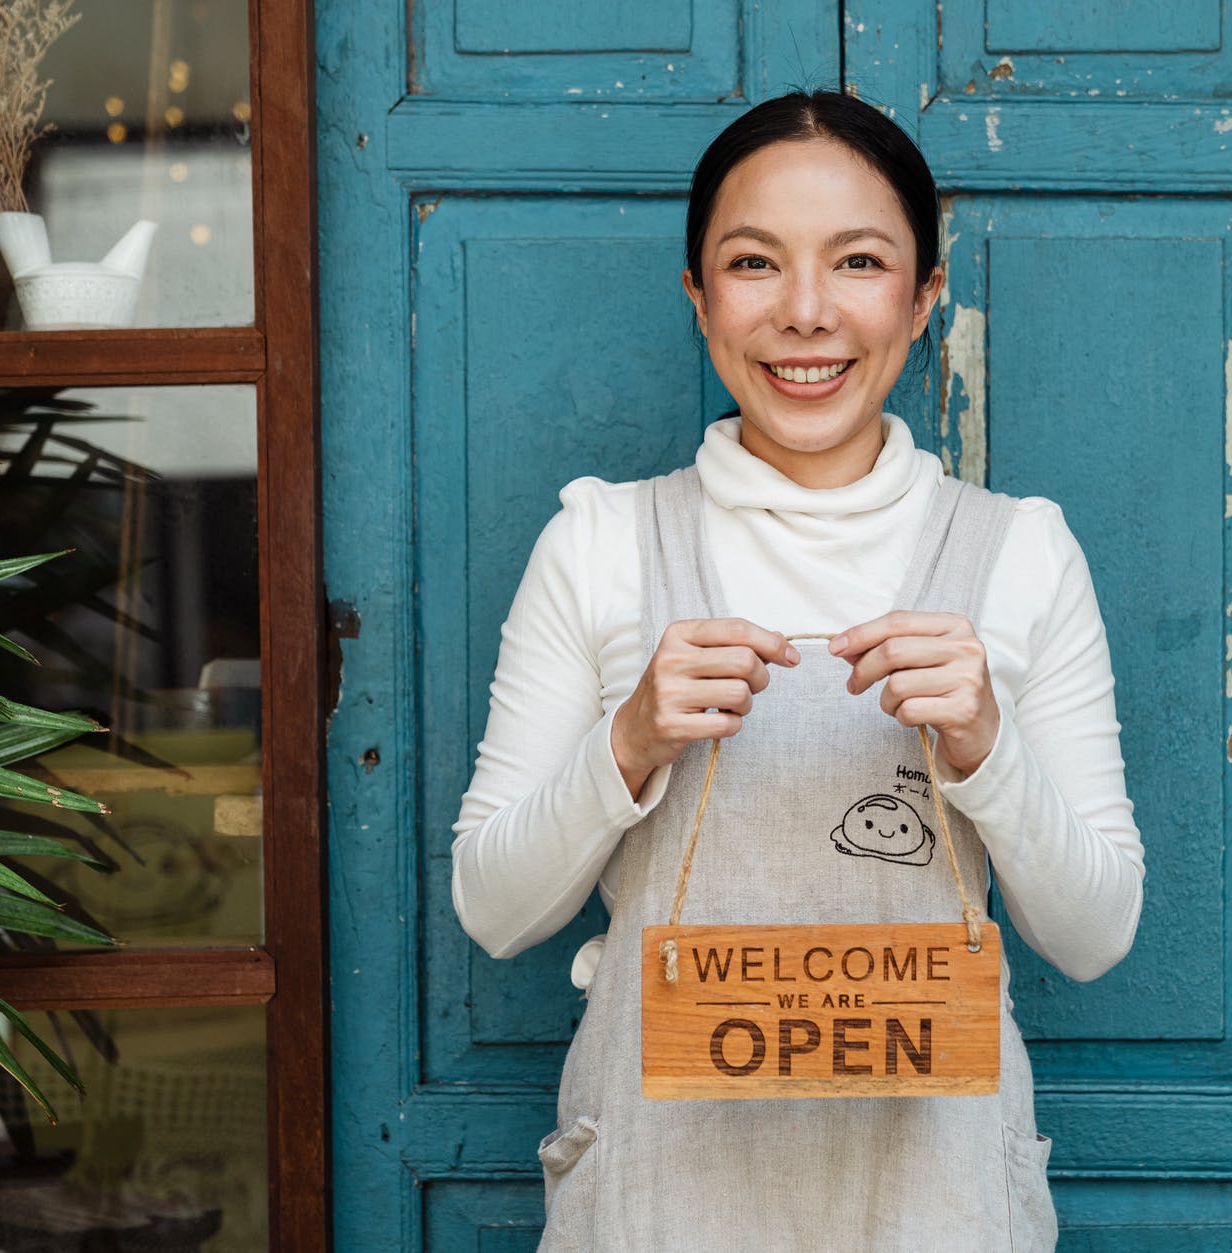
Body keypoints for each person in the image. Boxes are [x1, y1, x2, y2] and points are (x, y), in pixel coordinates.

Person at [450, 88, 1145, 1252]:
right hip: (660, 1200)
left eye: (860, 261)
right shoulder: (601, 542)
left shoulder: (1019, 551)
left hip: (936, 1201)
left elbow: (1095, 933)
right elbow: (493, 908)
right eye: (754, 263)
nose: (806, 312)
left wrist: (985, 748)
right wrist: (626, 744)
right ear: (699, 297)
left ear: (923, 298)